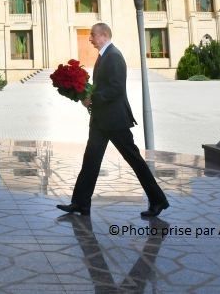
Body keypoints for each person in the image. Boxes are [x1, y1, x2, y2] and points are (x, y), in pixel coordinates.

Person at [57, 22, 169, 217]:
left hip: (115, 121)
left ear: (104, 35)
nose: (90, 39)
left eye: (93, 35)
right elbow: (104, 86)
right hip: (101, 121)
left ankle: (158, 200)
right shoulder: (104, 56)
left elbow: (116, 88)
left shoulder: (114, 56)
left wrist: (94, 97)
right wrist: (86, 94)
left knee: (134, 160)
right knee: (90, 161)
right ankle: (80, 203)